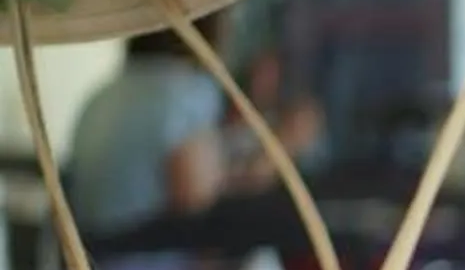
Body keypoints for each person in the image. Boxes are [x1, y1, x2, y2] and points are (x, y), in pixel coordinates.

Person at [61, 18, 319, 245]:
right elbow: (195, 196)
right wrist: (281, 148)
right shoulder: (187, 91)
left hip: (91, 264)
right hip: (148, 268)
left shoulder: (101, 95)